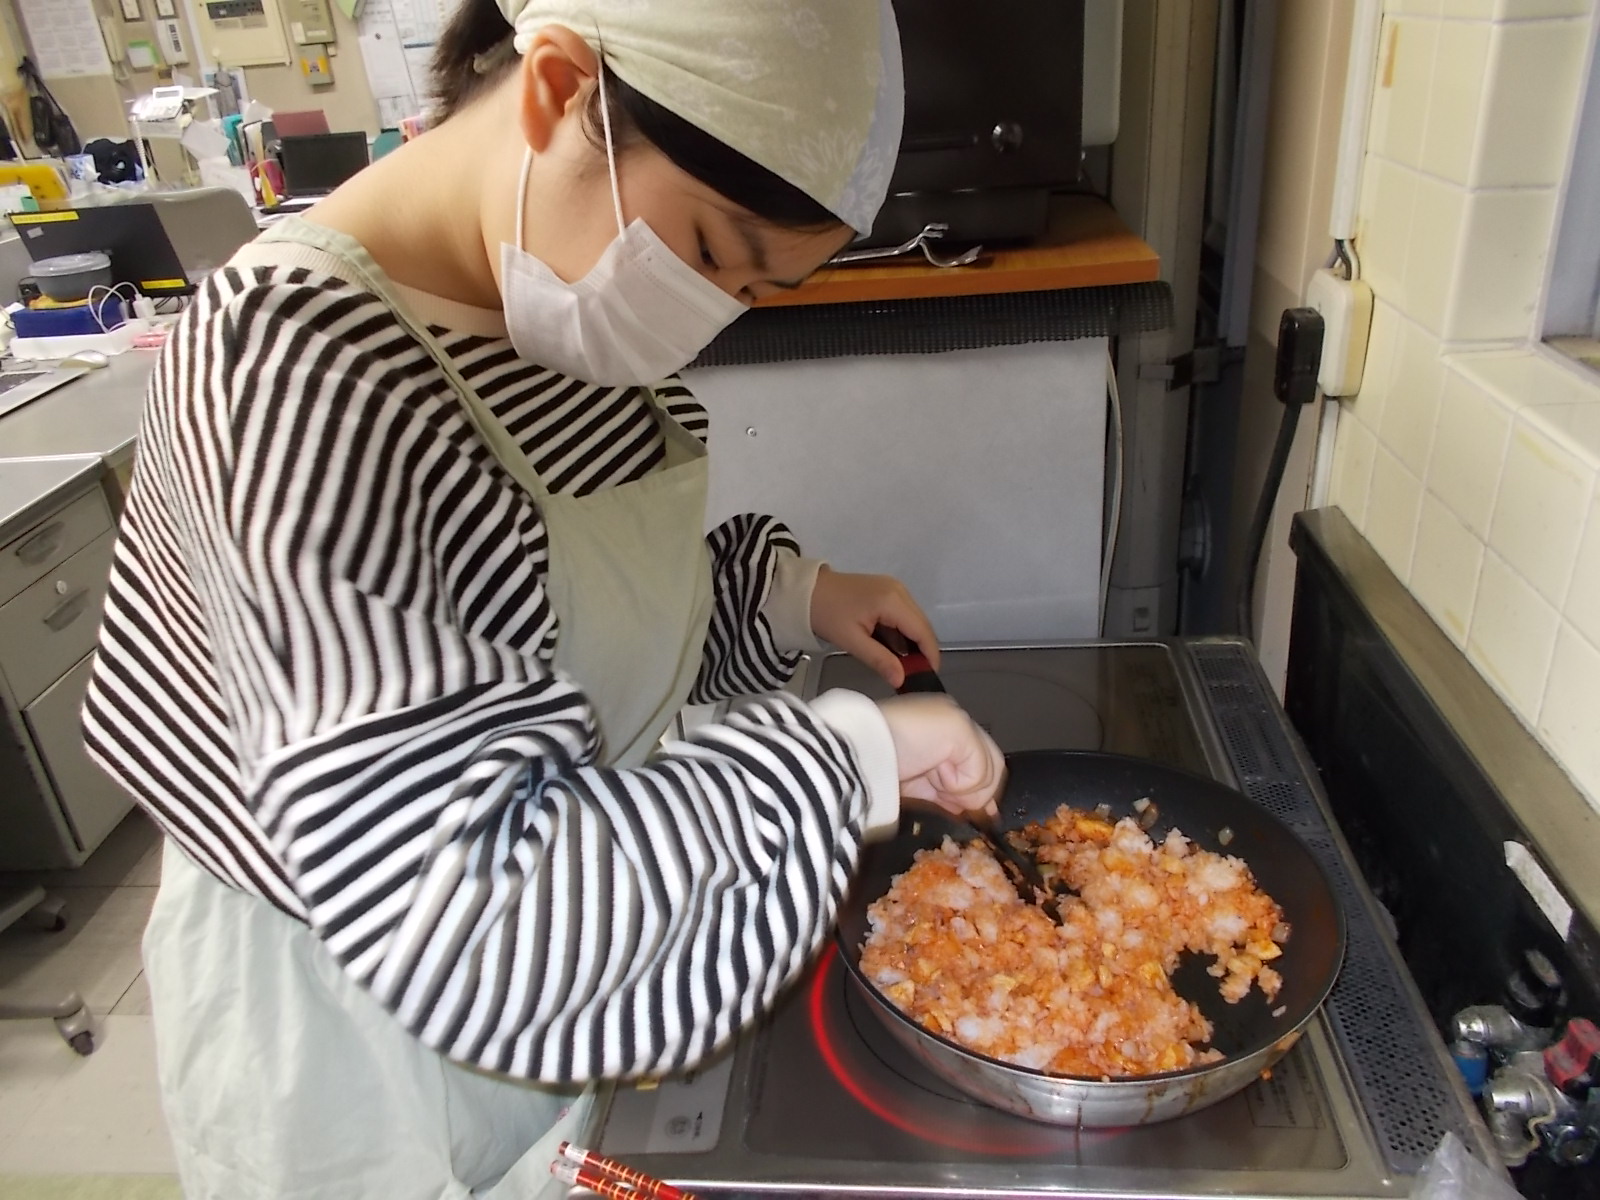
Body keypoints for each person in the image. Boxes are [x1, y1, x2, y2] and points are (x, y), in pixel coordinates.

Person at [82, 2, 1005, 1196]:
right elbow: (459, 904)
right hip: (368, 1012)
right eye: (711, 249)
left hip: (579, 914)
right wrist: (843, 760)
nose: (712, 306)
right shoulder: (290, 374)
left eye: (753, 288)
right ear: (560, 87)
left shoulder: (546, 304)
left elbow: (559, 619)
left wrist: (785, 598)